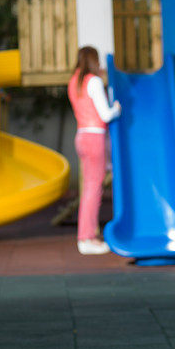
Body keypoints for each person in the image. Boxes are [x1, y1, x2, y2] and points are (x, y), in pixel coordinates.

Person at [67, 46, 121, 255]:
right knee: (93, 189)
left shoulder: (74, 81)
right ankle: (86, 238)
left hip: (81, 136)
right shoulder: (94, 81)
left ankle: (86, 236)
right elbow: (106, 115)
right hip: (95, 137)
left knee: (90, 187)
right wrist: (117, 108)